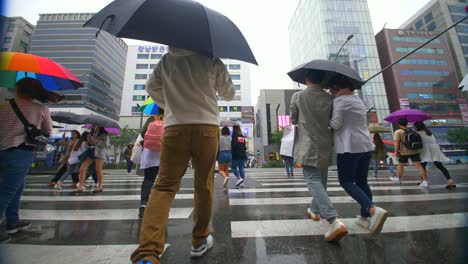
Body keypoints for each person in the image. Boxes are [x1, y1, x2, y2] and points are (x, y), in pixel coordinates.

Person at [131, 46, 235, 264]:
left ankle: (148, 251)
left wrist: (169, 104)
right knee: (203, 184)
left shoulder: (166, 61)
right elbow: (229, 93)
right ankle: (199, 240)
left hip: (174, 127)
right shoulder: (211, 59)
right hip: (206, 127)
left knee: (164, 186)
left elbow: (151, 87)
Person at [290, 70, 348, 242]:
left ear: (307, 79)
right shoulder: (330, 98)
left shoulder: (298, 96)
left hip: (307, 143)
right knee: (321, 180)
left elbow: (293, 120)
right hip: (325, 143)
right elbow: (333, 121)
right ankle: (314, 210)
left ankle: (333, 219)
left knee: (312, 180)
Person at [328, 75, 389, 235]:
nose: (330, 91)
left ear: (336, 87)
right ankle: (364, 218)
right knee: (362, 181)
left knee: (346, 181)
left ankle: (372, 209)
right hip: (366, 144)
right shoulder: (357, 100)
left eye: (331, 88)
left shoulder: (339, 101)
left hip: (349, 146)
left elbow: (336, 124)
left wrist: (326, 120)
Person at [0, 78, 56, 243]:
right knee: (8, 190)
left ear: (18, 89)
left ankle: (13, 220)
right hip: (21, 151)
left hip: (2, 149)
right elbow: (47, 133)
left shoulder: (3, 106)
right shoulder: (41, 109)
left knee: (17, 187)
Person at [414, 121, 456, 189]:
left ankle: (423, 181)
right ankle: (450, 180)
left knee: (422, 166)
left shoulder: (417, 134)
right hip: (435, 149)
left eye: (414, 127)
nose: (414, 128)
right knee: (440, 166)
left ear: (417, 127)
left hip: (425, 150)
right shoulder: (429, 133)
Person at [139, 110, 165, 218]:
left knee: (148, 178)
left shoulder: (152, 118)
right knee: (163, 180)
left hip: (149, 152)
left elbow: (142, 133)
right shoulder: (169, 117)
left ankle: (144, 203)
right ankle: (159, 204)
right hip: (164, 151)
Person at [389, 118, 428, 188]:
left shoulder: (398, 132)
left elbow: (396, 143)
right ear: (407, 123)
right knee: (419, 166)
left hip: (404, 152)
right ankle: (425, 181)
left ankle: (398, 178)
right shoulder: (411, 130)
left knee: (401, 165)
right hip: (414, 151)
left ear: (399, 124)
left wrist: (396, 151)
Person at [77, 126, 109, 192]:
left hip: (99, 153)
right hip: (91, 152)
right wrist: (89, 140)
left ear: (100, 126)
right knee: (82, 168)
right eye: (93, 125)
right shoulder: (92, 133)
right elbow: (91, 144)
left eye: (96, 125)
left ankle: (100, 186)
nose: (94, 126)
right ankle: (80, 185)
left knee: (98, 169)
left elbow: (105, 145)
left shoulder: (104, 135)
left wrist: (96, 140)